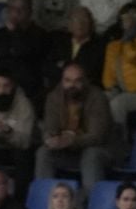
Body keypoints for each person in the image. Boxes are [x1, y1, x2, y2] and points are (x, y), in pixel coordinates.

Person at [35, 63, 118, 192]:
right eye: (67, 81)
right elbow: (49, 128)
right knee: (44, 152)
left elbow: (97, 137)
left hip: (102, 151)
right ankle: (46, 201)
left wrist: (70, 140)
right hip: (69, 152)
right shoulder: (54, 97)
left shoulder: (97, 97)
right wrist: (50, 139)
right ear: (62, 81)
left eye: (77, 81)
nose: (71, 85)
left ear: (85, 81)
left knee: (91, 155)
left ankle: (93, 204)